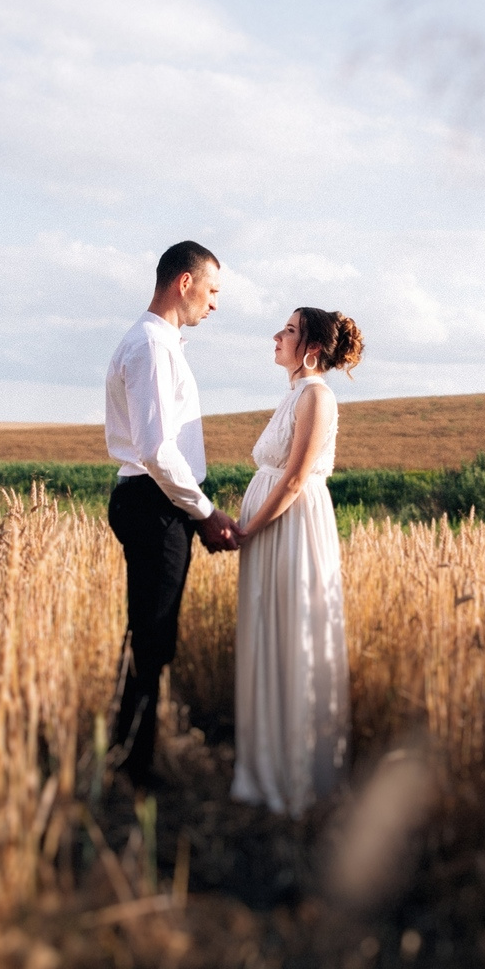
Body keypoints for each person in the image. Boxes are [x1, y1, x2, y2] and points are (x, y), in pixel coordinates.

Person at [102, 241, 240, 789]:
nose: (213, 304)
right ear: (184, 283)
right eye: (211, 291)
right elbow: (157, 450)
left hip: (156, 500)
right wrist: (204, 513)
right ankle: (133, 772)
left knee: (149, 633)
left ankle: (125, 756)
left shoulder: (158, 343)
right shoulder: (153, 347)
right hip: (155, 502)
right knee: (152, 637)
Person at [230, 305, 362, 816]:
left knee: (294, 632)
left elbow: (294, 478)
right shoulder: (294, 394)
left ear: (310, 347)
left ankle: (295, 772)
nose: (276, 337)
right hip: (272, 527)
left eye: (287, 330)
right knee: (271, 629)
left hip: (291, 527)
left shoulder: (317, 396)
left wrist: (249, 529)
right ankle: (266, 765)